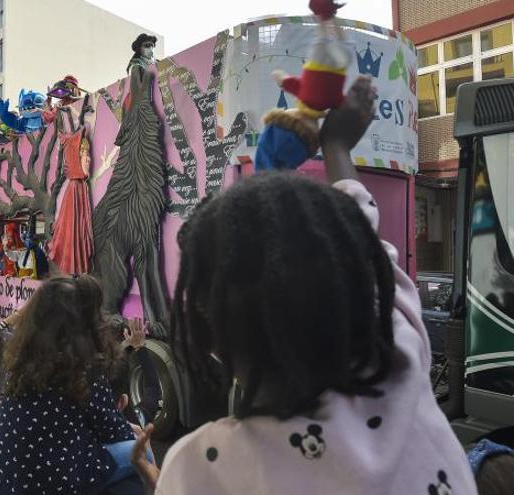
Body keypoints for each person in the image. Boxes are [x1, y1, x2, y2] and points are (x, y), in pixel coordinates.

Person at [146, 77, 477, 495]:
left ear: (208, 332)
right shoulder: (402, 364)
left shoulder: (203, 469)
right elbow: (362, 244)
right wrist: (337, 147)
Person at [0, 276, 139, 495]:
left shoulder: (19, 363)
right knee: (141, 450)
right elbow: (115, 432)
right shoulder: (84, 369)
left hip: (2, 479)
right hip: (57, 482)